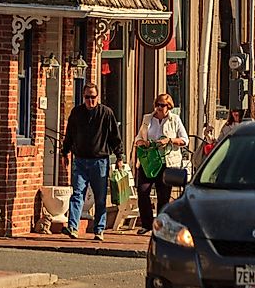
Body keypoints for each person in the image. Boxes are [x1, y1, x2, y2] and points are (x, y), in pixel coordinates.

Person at [60, 83, 122, 241]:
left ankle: (99, 229)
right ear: (83, 97)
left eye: (93, 97)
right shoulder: (77, 112)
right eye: (87, 97)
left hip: (99, 161)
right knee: (77, 193)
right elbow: (70, 134)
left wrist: (119, 156)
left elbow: (114, 136)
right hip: (80, 160)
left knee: (100, 197)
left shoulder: (106, 113)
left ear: (98, 97)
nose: (90, 100)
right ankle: (73, 227)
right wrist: (64, 152)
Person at [134, 93, 189, 235]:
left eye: (162, 105)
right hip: (149, 161)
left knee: (163, 196)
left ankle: (160, 227)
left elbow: (185, 140)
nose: (159, 108)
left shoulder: (174, 119)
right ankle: (146, 224)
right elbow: (139, 137)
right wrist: (142, 142)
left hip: (166, 162)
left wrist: (169, 140)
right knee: (143, 191)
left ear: (168, 106)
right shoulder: (148, 118)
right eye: (157, 104)